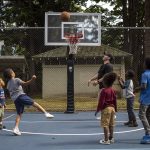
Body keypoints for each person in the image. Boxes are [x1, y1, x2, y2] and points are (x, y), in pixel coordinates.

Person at [3, 68, 54, 136]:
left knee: (19, 114)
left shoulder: (8, 84)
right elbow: (25, 84)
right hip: (21, 96)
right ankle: (46, 113)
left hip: (15, 100)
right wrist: (32, 79)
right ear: (12, 74)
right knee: (34, 103)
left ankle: (16, 128)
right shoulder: (16, 79)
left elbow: (10, 92)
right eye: (13, 71)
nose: (14, 72)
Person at [88, 52, 114, 119]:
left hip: (106, 87)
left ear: (108, 58)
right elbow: (98, 74)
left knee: (104, 101)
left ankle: (110, 114)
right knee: (101, 101)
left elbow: (106, 76)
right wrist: (91, 79)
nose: (103, 56)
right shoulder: (102, 66)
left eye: (105, 55)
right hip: (101, 86)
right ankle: (108, 114)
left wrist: (97, 81)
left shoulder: (109, 66)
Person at [95, 72, 117, 144]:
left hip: (106, 109)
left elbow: (101, 102)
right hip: (112, 108)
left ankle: (106, 140)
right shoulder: (113, 90)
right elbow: (115, 100)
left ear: (105, 82)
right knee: (111, 124)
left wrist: (97, 110)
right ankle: (111, 138)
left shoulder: (104, 91)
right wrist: (115, 109)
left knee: (105, 124)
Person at [138, 57, 150, 143]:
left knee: (141, 115)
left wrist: (136, 88)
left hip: (146, 98)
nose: (143, 64)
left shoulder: (145, 74)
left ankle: (148, 133)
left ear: (146, 64)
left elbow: (144, 86)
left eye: (144, 62)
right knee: (148, 115)